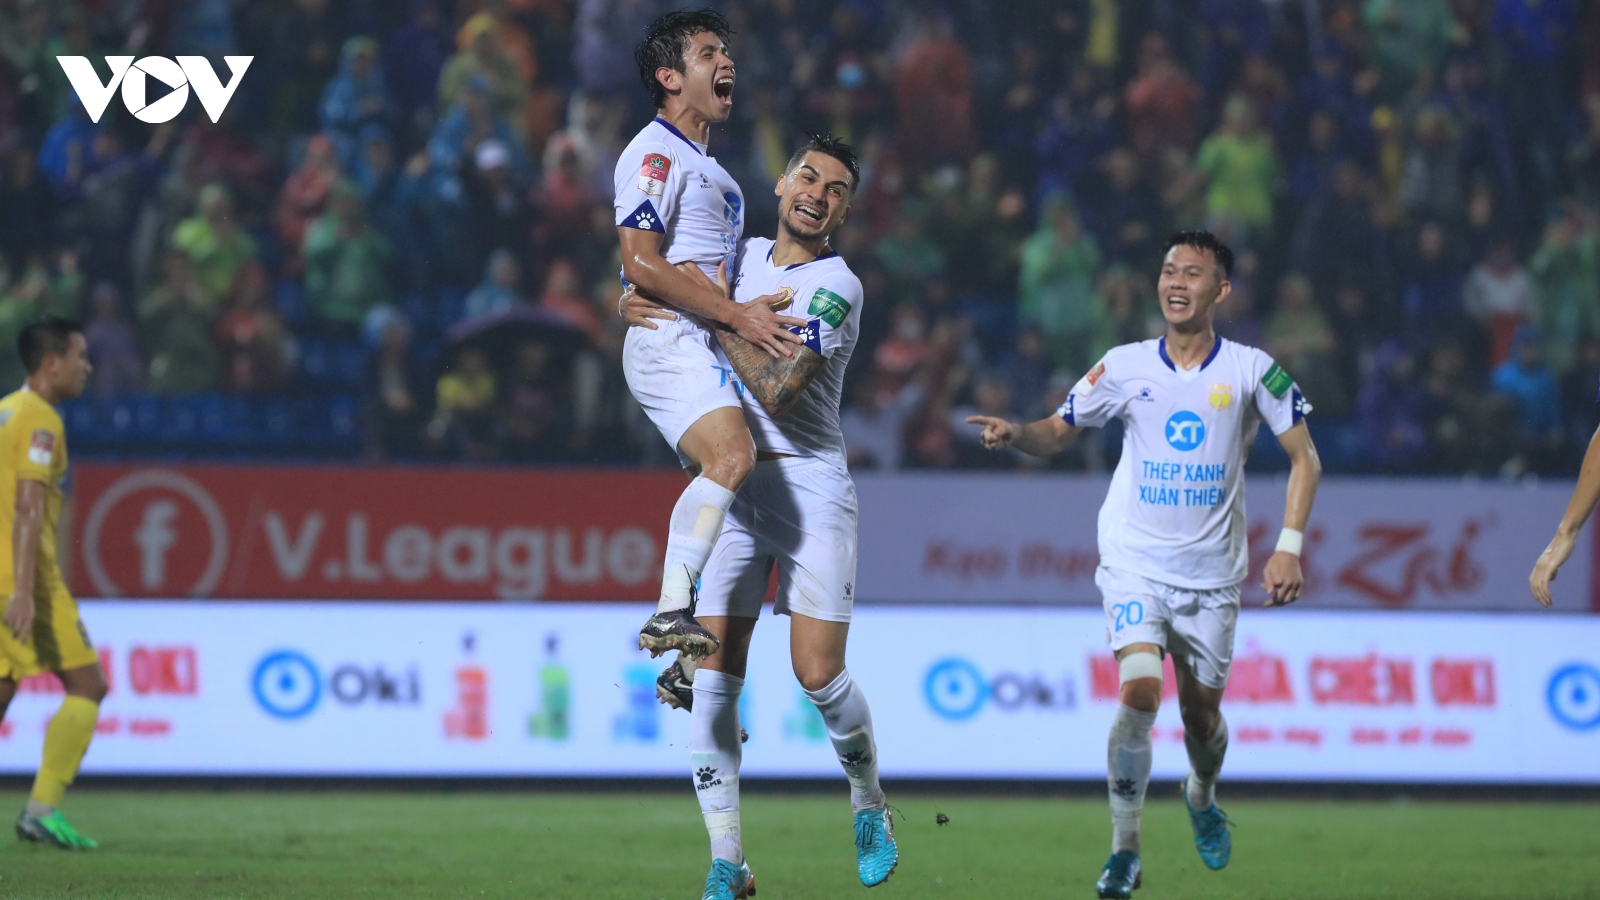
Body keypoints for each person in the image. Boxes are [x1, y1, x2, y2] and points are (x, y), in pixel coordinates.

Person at [965, 231, 1322, 899]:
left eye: (1193, 272)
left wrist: (1289, 547)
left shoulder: (1253, 369)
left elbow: (1306, 458)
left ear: (1221, 290)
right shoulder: (1123, 365)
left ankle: (1201, 792)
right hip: (1135, 563)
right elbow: (1057, 430)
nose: (1176, 282)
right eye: (1168, 271)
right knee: (1138, 692)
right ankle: (1124, 849)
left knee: (1201, 720)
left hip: (1213, 578)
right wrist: (1017, 434)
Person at [623, 136, 896, 899]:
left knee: (818, 674)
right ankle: (728, 862)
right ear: (780, 183)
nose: (817, 193)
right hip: (735, 483)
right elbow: (649, 283)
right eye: (808, 176)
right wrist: (636, 299)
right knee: (711, 680)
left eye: (836, 189)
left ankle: (869, 803)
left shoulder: (837, 285)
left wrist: (713, 316)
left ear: (845, 211)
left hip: (809, 488)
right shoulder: (735, 257)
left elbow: (779, 386)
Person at [614, 10, 801, 663]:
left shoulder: (710, 169)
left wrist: (734, 306)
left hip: (705, 339)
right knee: (731, 458)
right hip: (671, 338)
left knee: (738, 494)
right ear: (670, 77)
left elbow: (677, 263)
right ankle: (670, 611)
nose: (727, 62)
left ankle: (691, 661)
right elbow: (641, 259)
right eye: (708, 53)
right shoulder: (654, 152)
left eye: (727, 52)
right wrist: (733, 314)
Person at [0, 317, 105, 849]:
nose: (87, 367)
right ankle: (41, 811)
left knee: (2, 686)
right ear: (50, 363)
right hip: (26, 579)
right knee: (89, 684)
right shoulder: (42, 420)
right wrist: (23, 590)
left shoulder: (4, 411)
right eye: (79, 356)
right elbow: (28, 504)